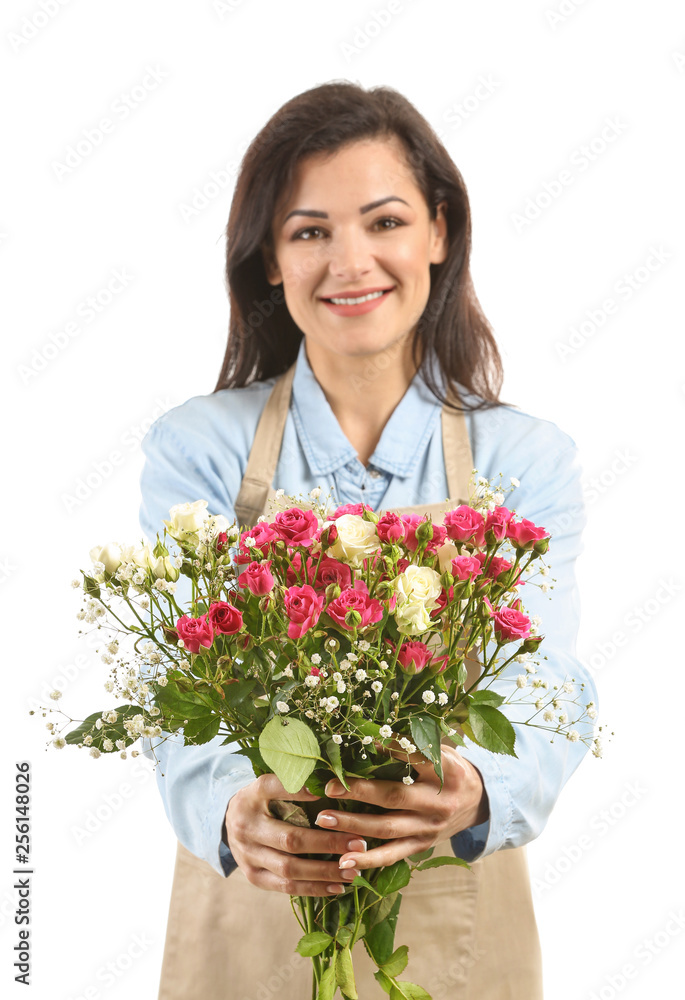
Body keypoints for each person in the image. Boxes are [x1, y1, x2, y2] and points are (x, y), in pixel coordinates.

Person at [139, 81, 597, 999]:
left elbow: (544, 684)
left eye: (382, 221)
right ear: (268, 259)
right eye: (309, 231)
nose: (350, 262)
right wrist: (237, 811)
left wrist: (472, 788)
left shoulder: (525, 458)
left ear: (436, 231)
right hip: (256, 907)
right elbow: (177, 686)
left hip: (454, 899)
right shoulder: (199, 450)